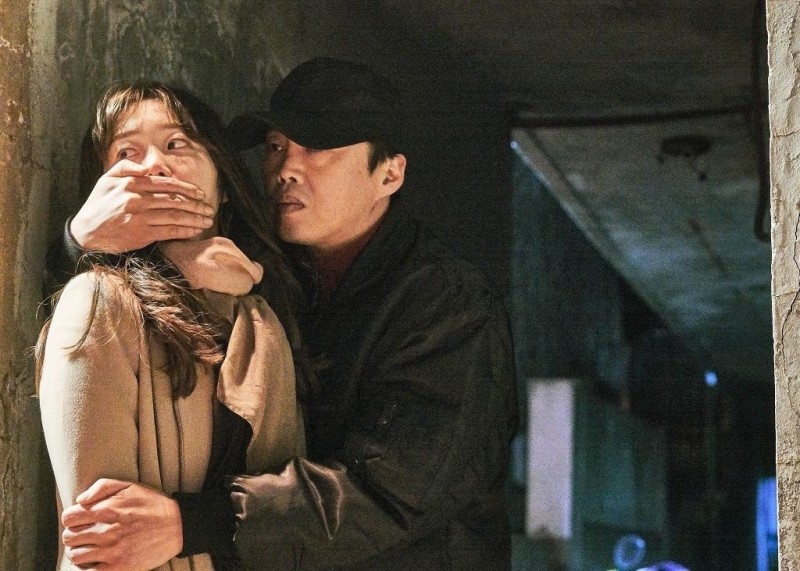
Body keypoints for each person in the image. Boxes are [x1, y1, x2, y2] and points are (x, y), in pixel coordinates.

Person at [53, 58, 519, 569]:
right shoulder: (269, 267)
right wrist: (83, 242)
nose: (285, 169)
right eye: (277, 147)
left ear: (389, 174)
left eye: (317, 148)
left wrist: (196, 522)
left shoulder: (447, 305)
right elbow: (124, 298)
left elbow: (393, 491)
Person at [37, 80, 307, 570]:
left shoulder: (261, 313)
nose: (153, 166)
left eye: (176, 144)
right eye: (126, 153)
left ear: (223, 185)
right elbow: (103, 539)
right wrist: (92, 246)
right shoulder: (98, 304)